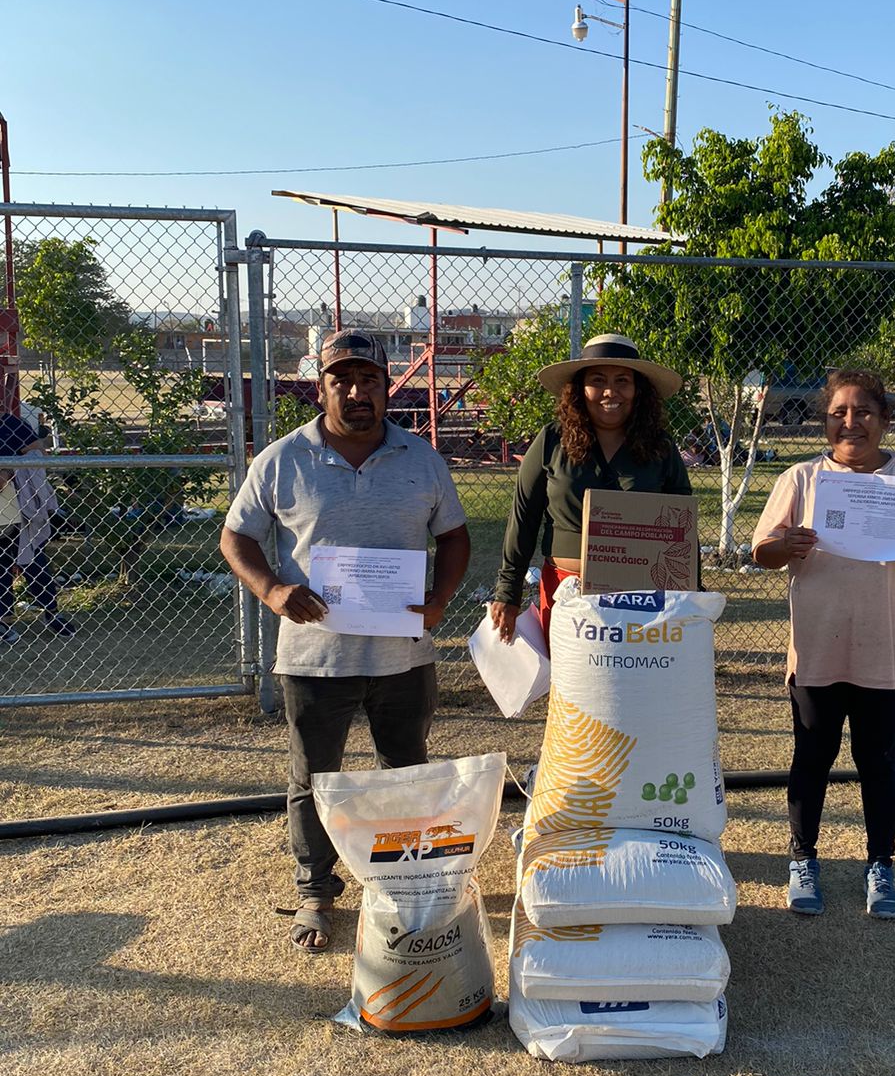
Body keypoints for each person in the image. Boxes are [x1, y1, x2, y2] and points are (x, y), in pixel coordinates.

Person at [221, 328, 471, 952]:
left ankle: (401, 884)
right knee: (313, 777)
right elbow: (237, 539)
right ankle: (315, 893)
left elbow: (456, 537)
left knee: (404, 769)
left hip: (402, 655)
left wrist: (438, 601)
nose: (357, 392)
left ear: (387, 388)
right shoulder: (281, 460)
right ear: (321, 387)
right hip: (314, 654)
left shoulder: (421, 459)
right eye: (342, 380)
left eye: (369, 381)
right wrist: (274, 592)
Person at [751, 368, 895, 920]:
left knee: (879, 762)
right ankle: (803, 859)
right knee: (812, 757)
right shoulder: (801, 480)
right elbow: (762, 552)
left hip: (884, 651)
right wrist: (785, 543)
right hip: (818, 648)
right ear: (825, 423)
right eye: (839, 413)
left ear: (884, 420)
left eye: (863, 412)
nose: (851, 422)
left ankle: (881, 866)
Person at [489, 333, 689, 645]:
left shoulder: (660, 447)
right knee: (573, 691)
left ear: (638, 390)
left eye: (623, 380)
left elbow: (682, 529)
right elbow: (524, 519)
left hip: (641, 599)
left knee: (635, 691)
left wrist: (691, 596)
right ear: (580, 389)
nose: (611, 391)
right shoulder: (551, 441)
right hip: (565, 592)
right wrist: (508, 591)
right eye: (598, 380)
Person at [0, 409, 74, 644]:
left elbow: (37, 451)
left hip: (11, 507)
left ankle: (51, 612)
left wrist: (10, 470)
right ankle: (3, 620)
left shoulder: (8, 423)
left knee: (32, 558)